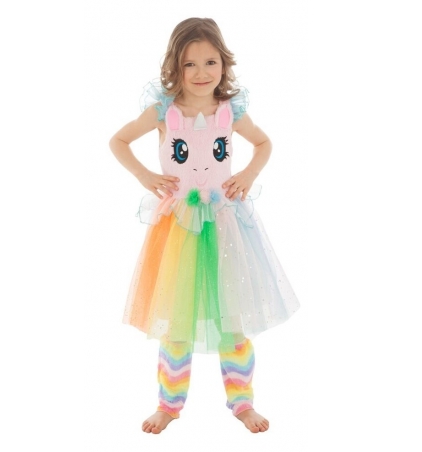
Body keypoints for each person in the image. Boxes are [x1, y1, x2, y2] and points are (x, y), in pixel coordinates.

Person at [109, 17, 300, 434]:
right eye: (189, 64)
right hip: (178, 229)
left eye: (210, 62)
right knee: (175, 321)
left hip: (227, 226)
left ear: (224, 64)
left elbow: (264, 142)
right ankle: (169, 404)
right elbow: (118, 141)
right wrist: (145, 176)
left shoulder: (230, 111)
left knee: (233, 318)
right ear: (174, 66)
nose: (200, 73)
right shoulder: (163, 111)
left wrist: (247, 175)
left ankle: (242, 402)